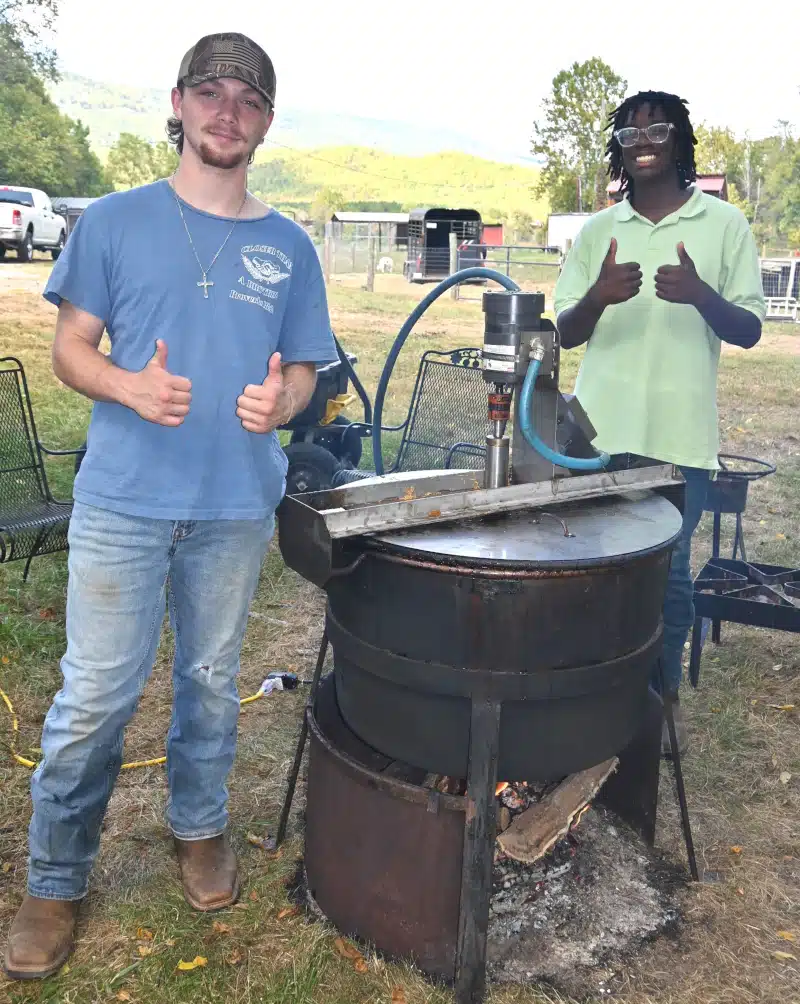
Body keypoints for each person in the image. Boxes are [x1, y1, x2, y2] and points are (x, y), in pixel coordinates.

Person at [4, 32, 337, 980]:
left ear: (266, 122)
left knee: (210, 679)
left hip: (235, 505)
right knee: (95, 696)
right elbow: (71, 350)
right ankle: (54, 879)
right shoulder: (113, 222)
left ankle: (199, 829)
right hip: (123, 502)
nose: (228, 112)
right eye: (211, 92)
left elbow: (306, 370)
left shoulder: (289, 246)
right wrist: (128, 386)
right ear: (180, 104)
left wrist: (285, 402)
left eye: (248, 99)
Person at [553, 91, 765, 751]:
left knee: (667, 577)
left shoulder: (723, 224)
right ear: (619, 148)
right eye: (629, 132)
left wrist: (701, 295)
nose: (643, 141)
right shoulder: (598, 231)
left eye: (657, 129)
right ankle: (594, 699)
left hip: (679, 440)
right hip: (594, 437)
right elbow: (564, 332)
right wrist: (598, 296)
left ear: (680, 141)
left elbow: (750, 329)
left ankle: (659, 703)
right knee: (590, 570)